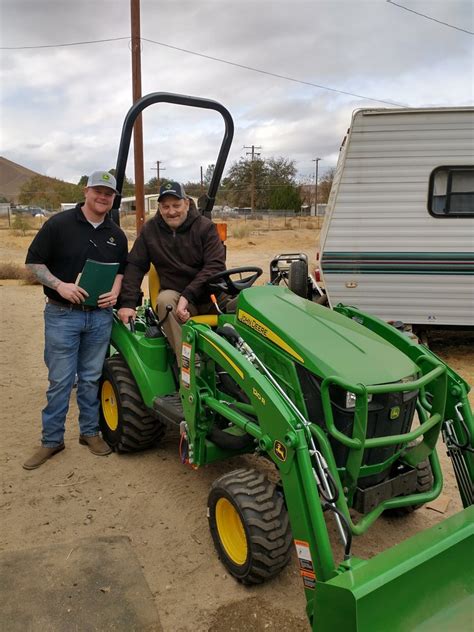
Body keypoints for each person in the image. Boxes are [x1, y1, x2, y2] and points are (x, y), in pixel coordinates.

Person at [23, 171, 128, 470]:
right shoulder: (59, 224)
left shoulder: (116, 234)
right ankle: (51, 440)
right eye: (98, 191)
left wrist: (116, 290)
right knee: (60, 380)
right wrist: (60, 286)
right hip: (61, 315)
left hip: (99, 316)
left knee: (92, 377)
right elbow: (33, 262)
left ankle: (90, 433)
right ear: (86, 191)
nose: (103, 197)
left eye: (109, 193)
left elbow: (122, 269)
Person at [118, 181, 225, 362]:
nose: (171, 211)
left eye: (176, 205)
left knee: (251, 305)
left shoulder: (205, 227)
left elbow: (215, 266)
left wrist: (188, 295)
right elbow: (135, 265)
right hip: (175, 297)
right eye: (165, 206)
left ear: (187, 203)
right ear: (159, 208)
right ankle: (189, 364)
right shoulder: (150, 231)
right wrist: (127, 302)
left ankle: (260, 365)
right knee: (165, 300)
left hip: (211, 295)